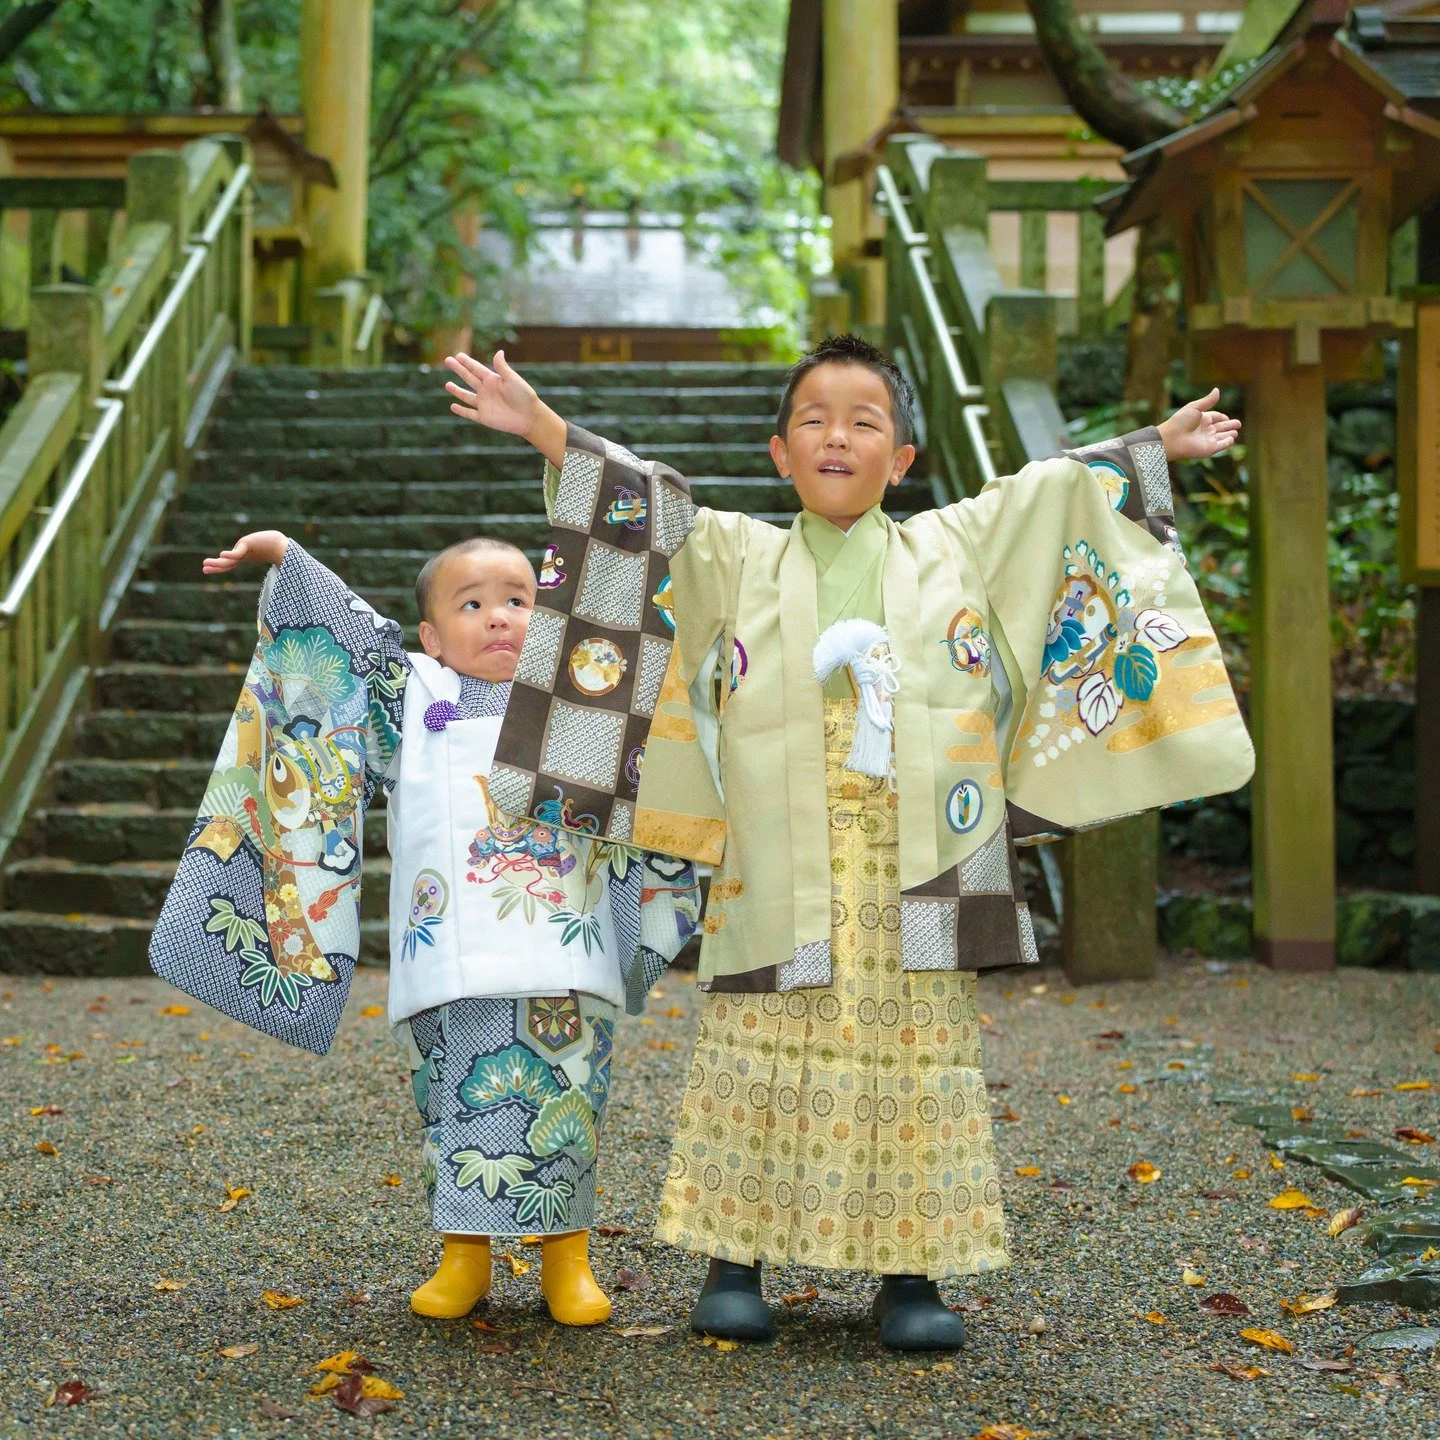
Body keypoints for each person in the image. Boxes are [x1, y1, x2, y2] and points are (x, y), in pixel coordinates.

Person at [441, 334, 1254, 1351]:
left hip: (917, 831)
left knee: (914, 1047)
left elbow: (1049, 494)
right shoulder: (740, 549)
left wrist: (1150, 453)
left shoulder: (951, 541)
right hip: (777, 826)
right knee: (759, 1036)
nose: (838, 437)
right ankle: (735, 1259)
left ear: (902, 458)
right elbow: (642, 507)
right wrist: (546, 430)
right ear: (780, 452)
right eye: (815, 420)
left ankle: (910, 1272)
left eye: (865, 421)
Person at [149, 529, 700, 1326]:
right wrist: (288, 559)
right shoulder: (410, 699)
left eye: (519, 601)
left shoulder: (584, 699)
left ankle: (566, 1260)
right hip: (446, 951)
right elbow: (341, 643)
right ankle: (464, 1258)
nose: (500, 618)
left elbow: (651, 661)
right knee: (451, 1107)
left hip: (562, 956)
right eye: (472, 604)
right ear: (434, 637)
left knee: (567, 1104)